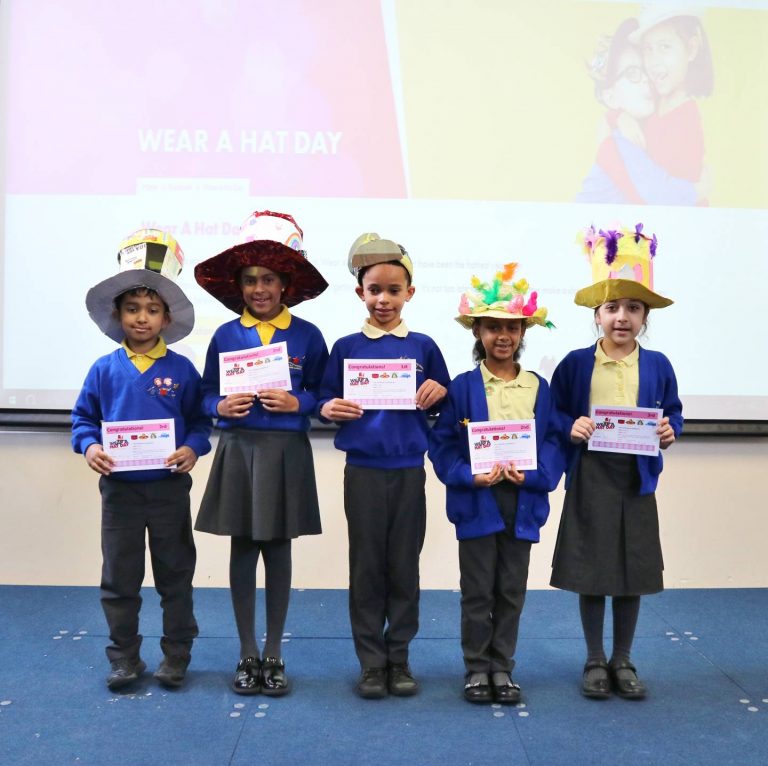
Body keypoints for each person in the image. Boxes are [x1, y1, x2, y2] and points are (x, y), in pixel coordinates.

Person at [194, 210, 329, 697]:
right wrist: (218, 406)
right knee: (242, 546)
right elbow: (205, 393)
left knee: (278, 548)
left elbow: (323, 392)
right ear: (239, 286)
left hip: (286, 449)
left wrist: (300, 403)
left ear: (285, 284)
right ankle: (246, 651)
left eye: (269, 279)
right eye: (250, 280)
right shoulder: (226, 335)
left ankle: (274, 651)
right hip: (239, 448)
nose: (259, 289)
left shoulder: (308, 335)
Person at [72, 229, 212, 691]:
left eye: (152, 309)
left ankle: (176, 655)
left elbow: (199, 421)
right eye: (132, 308)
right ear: (118, 314)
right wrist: (90, 447)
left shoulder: (182, 369)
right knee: (120, 578)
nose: (142, 317)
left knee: (175, 575)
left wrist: (192, 448)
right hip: (119, 494)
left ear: (166, 318)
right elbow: (83, 420)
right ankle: (124, 658)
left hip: (169, 489)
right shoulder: (103, 369)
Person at [549, 224, 683, 700]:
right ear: (597, 315)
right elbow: (553, 412)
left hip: (636, 479)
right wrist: (571, 425)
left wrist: (670, 430)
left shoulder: (658, 364)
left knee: (632, 572)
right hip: (591, 475)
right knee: (592, 570)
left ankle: (622, 659)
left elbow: (673, 412)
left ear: (645, 316)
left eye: (633, 308)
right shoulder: (575, 363)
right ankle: (593, 659)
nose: (621, 317)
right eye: (611, 308)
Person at [317, 233, 450, 699]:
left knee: (404, 567)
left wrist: (441, 392)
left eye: (394, 290)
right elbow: (323, 397)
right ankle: (371, 663)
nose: (384, 300)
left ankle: (400, 658)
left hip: (410, 470)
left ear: (409, 293)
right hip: (363, 472)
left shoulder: (424, 347)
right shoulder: (346, 346)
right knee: (367, 567)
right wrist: (327, 407)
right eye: (375, 290)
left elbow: (444, 401)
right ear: (360, 293)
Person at [429, 264, 564, 705]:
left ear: (523, 331)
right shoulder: (462, 387)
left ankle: (502, 666)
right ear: (477, 331)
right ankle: (476, 668)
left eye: (511, 327)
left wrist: (536, 476)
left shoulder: (538, 387)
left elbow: (553, 441)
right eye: (492, 327)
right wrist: (467, 476)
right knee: (477, 590)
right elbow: (443, 444)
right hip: (477, 502)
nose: (502, 336)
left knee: (510, 589)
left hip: (522, 501)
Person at [577, 17, 705, 205]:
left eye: (644, 70)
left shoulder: (650, 122)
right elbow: (658, 194)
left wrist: (618, 116)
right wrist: (699, 190)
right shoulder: (619, 144)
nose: (646, 79)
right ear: (610, 97)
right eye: (633, 73)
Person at [633, 7, 714, 194]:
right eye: (648, 49)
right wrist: (621, 118)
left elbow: (665, 195)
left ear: (691, 49)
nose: (653, 61)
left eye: (664, 47)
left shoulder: (687, 121)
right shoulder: (650, 102)